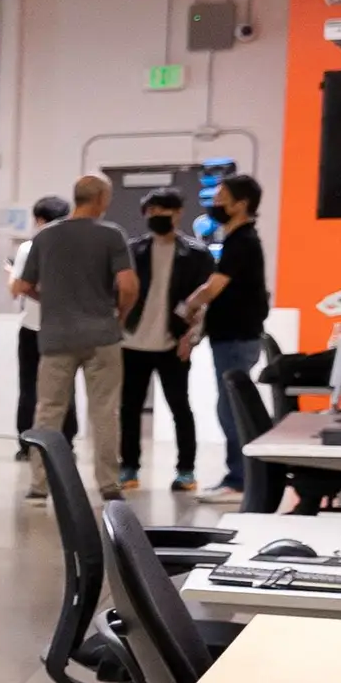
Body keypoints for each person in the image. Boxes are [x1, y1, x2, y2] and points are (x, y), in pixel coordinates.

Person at [22, 173, 139, 503]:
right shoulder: (111, 235)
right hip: (102, 335)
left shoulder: (45, 238)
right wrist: (120, 316)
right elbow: (128, 286)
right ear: (101, 198)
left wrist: (54, 303)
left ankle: (39, 485)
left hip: (57, 337)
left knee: (48, 410)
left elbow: (23, 285)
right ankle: (108, 484)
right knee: (104, 411)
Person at [179, 169, 272, 501]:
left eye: (221, 201)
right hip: (229, 336)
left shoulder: (242, 242)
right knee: (228, 407)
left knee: (231, 409)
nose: (215, 206)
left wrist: (188, 305)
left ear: (241, 204)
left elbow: (215, 286)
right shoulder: (236, 240)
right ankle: (239, 475)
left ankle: (239, 479)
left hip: (236, 337)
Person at [118, 188, 203, 494]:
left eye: (165, 211)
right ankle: (128, 467)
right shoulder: (131, 251)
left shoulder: (195, 254)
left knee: (180, 407)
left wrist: (190, 338)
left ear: (179, 212)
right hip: (131, 343)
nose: (158, 217)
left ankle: (186, 470)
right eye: (152, 212)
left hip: (173, 344)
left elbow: (204, 304)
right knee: (129, 409)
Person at [7, 194, 66, 439]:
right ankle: (65, 441)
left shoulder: (30, 247)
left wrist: (12, 276)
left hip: (33, 326)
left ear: (39, 220)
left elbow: (18, 287)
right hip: (65, 327)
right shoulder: (72, 249)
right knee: (63, 388)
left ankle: (27, 439)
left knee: (30, 386)